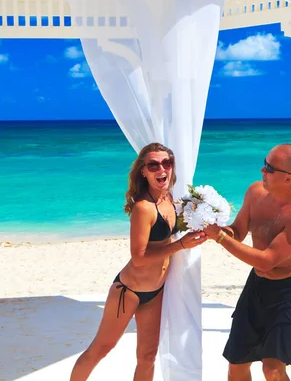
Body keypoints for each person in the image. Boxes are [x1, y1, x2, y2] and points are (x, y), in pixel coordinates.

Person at [70, 142, 207, 381]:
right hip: (129, 291)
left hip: (155, 291)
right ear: (143, 171)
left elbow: (176, 230)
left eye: (167, 163)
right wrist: (181, 245)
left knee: (147, 356)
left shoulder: (170, 199)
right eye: (153, 164)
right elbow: (139, 257)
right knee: (101, 348)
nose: (161, 169)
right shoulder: (143, 208)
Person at [204, 143, 291, 381]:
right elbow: (237, 230)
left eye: (269, 168)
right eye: (264, 163)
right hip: (258, 286)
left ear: (288, 178)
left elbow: (268, 261)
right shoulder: (255, 192)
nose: (261, 170)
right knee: (237, 363)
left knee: (273, 369)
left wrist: (221, 238)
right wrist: (210, 225)